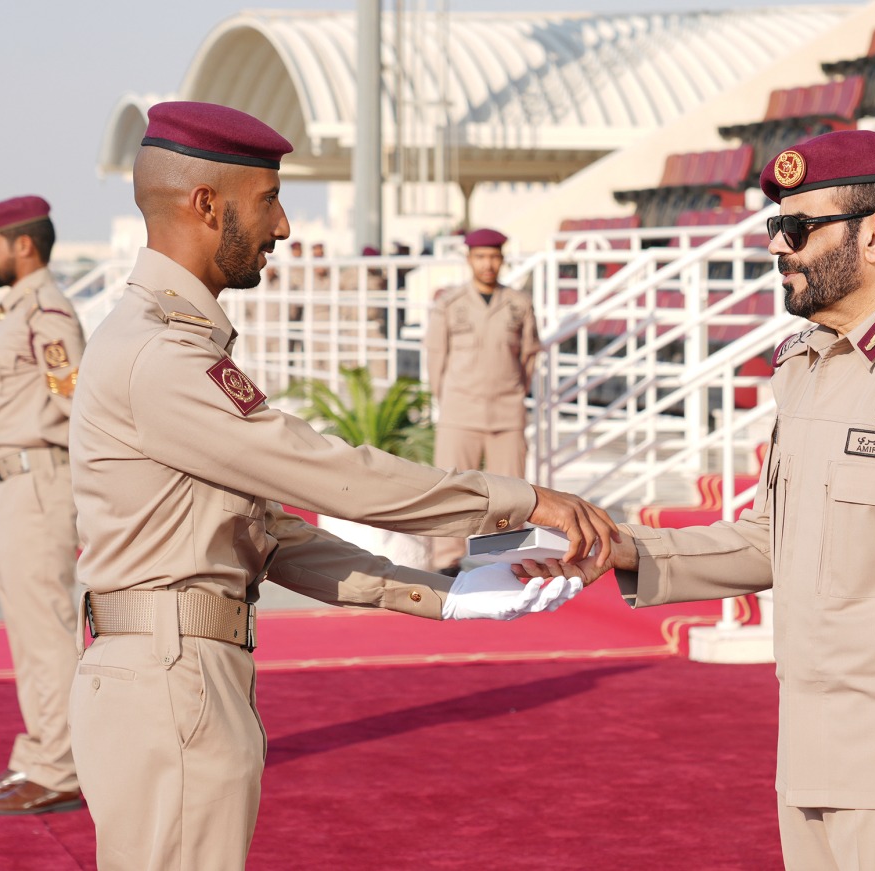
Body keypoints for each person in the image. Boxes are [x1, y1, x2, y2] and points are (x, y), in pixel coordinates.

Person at [67, 100, 616, 871]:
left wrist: (438, 592)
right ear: (206, 204)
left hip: (175, 673)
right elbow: (332, 474)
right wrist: (521, 499)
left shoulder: (163, 341)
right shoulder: (163, 357)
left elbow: (265, 534)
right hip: (171, 682)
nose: (285, 226)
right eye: (270, 200)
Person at [524, 130, 875, 871]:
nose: (777, 247)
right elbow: (773, 539)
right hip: (807, 772)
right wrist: (625, 546)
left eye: (797, 228)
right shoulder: (803, 366)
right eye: (777, 227)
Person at [0, 196, 85, 815]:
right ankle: (39, 758)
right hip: (15, 486)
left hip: (39, 485)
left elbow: (76, 403)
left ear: (24, 246)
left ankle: (62, 769)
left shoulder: (45, 311)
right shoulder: (21, 308)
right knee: (28, 635)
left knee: (47, 633)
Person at [425, 228, 541, 573]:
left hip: (507, 410)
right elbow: (436, 357)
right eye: (480, 257)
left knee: (511, 493)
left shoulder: (519, 304)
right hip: (460, 410)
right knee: (450, 489)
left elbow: (529, 356)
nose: (487, 264)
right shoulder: (449, 304)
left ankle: (506, 561)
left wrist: (515, 392)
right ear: (469, 259)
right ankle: (447, 560)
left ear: (502, 259)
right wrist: (446, 399)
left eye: (493, 256)